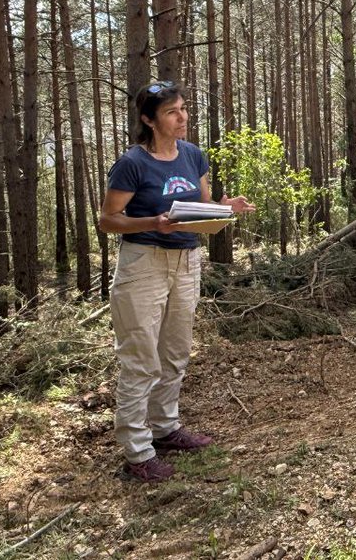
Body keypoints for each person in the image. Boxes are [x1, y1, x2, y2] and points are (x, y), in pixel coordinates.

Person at [99, 82, 255, 483]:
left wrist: (224, 207)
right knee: (140, 360)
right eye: (172, 112)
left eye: (184, 109)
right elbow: (108, 219)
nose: (182, 117)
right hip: (143, 264)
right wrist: (154, 222)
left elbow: (201, 207)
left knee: (175, 351)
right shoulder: (132, 163)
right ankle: (137, 452)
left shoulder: (192, 155)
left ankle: (165, 428)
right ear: (149, 120)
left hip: (186, 261)